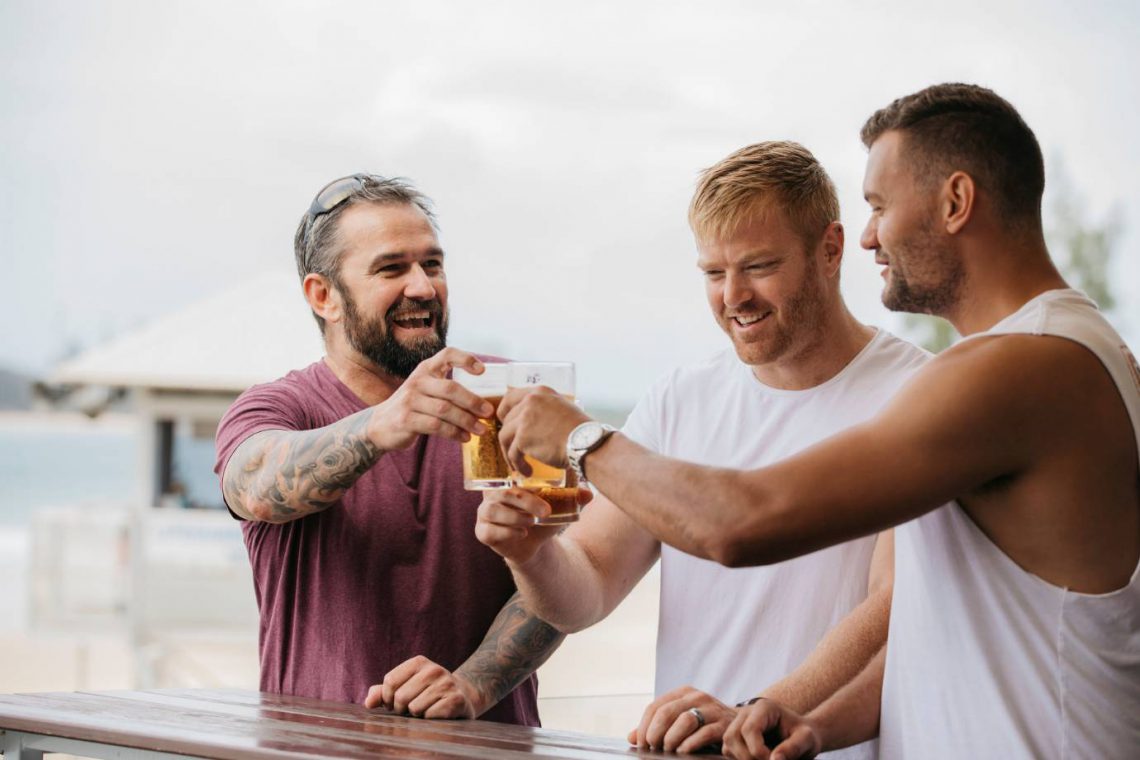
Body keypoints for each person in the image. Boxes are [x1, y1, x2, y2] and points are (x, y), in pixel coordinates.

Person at [494, 83, 1140, 758]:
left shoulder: (1021, 367)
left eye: (879, 206)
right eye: (713, 271)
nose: (868, 235)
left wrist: (580, 437)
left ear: (955, 202)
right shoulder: (1058, 351)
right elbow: (929, 622)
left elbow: (742, 524)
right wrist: (803, 721)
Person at [476, 142, 929, 756]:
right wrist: (530, 555)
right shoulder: (680, 398)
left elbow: (893, 607)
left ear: (831, 248)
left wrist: (754, 715)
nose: (733, 296)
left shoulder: (918, 393)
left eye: (760, 266)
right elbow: (588, 589)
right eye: (714, 274)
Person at [213, 174, 564, 725]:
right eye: (391, 268)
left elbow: (562, 580)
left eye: (433, 264)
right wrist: (380, 425)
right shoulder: (280, 407)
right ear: (323, 296)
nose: (423, 287)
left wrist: (470, 686)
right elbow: (254, 486)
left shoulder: (505, 398)